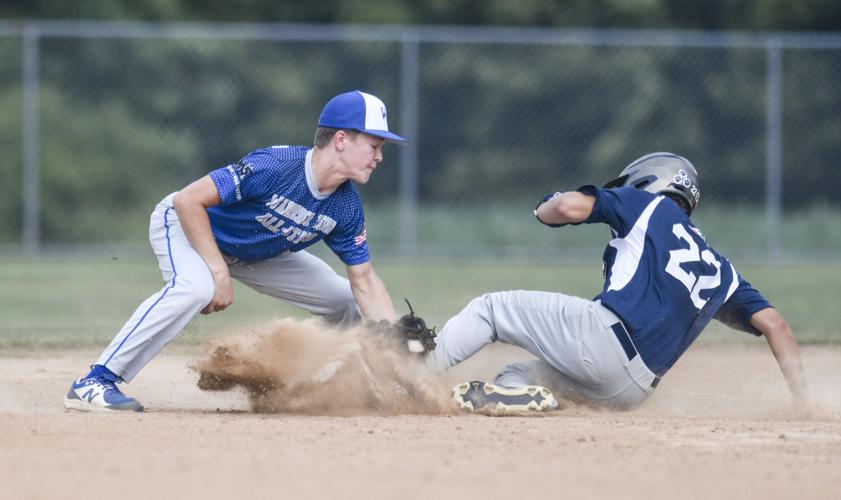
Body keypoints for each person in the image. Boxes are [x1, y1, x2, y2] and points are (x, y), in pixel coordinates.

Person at [64, 90, 407, 412]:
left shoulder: (346, 207)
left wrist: (391, 340)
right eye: (375, 145)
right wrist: (217, 270)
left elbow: (365, 281)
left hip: (258, 252)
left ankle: (350, 381)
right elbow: (188, 200)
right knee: (195, 289)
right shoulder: (276, 165)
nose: (379, 157)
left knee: (344, 300)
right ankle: (96, 381)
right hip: (190, 227)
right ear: (342, 140)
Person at [427, 152, 809, 412]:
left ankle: (408, 375)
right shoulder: (720, 270)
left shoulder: (647, 204)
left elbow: (564, 208)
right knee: (517, 376)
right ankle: (517, 398)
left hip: (605, 341)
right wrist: (802, 405)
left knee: (490, 309)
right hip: (631, 392)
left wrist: (543, 207)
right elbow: (777, 326)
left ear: (649, 180)